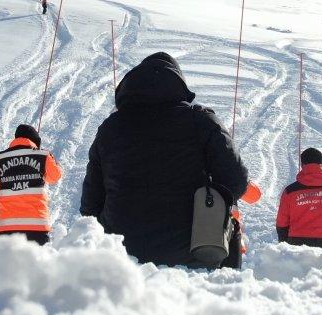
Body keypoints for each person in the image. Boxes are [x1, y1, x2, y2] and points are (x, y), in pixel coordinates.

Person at [80, 52, 248, 266]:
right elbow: (236, 182)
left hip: (120, 253)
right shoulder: (201, 121)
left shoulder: (109, 128)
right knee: (231, 226)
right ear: (178, 84)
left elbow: (89, 205)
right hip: (193, 252)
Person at [0, 123, 62, 245]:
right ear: (35, 140)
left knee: (9, 264)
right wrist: (50, 158)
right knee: (37, 263)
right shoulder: (42, 155)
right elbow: (55, 176)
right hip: (36, 226)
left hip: (7, 226)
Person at [275, 148, 322, 249]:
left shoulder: (290, 191)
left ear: (302, 165)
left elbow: (282, 221)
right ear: (321, 165)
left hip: (297, 242)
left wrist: (283, 242)